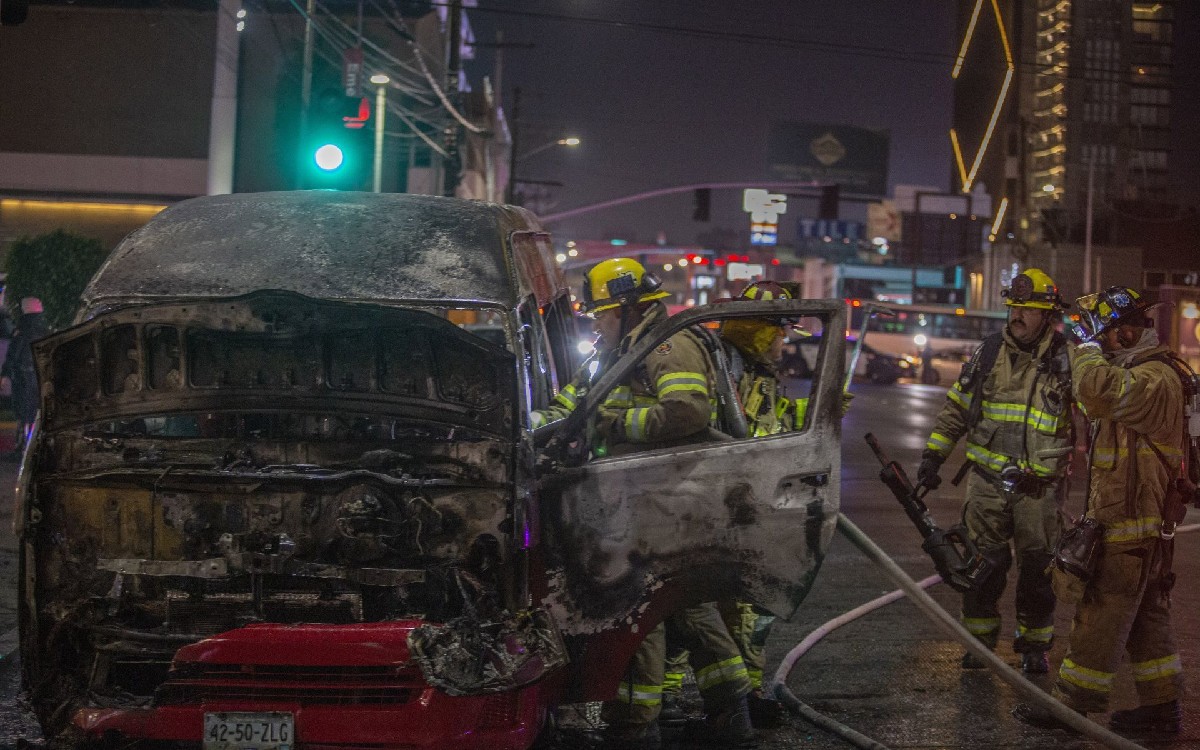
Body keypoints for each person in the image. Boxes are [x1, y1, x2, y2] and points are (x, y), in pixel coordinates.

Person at [536, 258, 755, 749]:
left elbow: (687, 411)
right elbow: (573, 403)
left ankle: (634, 726)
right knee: (687, 606)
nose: (595, 323)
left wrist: (614, 425)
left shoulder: (668, 346)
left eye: (601, 314)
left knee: (637, 605)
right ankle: (731, 714)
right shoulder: (620, 350)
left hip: (666, 499)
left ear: (628, 307)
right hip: (642, 496)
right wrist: (530, 427)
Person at [1015, 286, 1188, 735]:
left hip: (1130, 525)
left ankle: (1071, 709)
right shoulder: (1143, 373)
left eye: (1101, 334)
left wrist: (1087, 349)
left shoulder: (1155, 379)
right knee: (1146, 617)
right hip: (1138, 523)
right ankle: (1161, 709)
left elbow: (1094, 391)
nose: (1094, 343)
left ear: (1125, 332)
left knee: (1099, 613)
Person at [917, 269, 1074, 673]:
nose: (1017, 315)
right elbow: (957, 408)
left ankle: (1034, 648)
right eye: (1014, 307)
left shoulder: (1068, 360)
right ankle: (979, 645)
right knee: (982, 569)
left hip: (1039, 491)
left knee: (1038, 573)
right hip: (987, 485)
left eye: (1028, 309)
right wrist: (933, 456)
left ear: (1048, 316)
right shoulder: (987, 353)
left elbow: (1095, 418)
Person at [0, 297, 49, 455]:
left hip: (24, 377)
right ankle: (33, 444)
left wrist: (5, 374)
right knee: (36, 411)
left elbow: (13, 355)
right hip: (40, 376)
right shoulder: (45, 330)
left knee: (24, 412)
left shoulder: (22, 330)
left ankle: (23, 445)